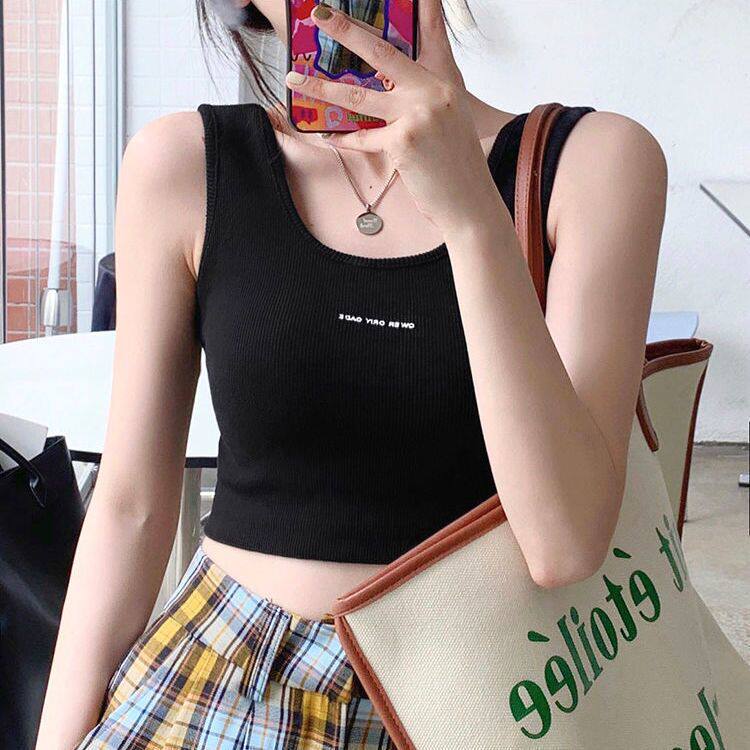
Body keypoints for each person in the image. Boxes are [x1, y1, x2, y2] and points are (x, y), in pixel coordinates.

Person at [36, 0, 667, 747]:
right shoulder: (182, 164)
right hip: (225, 680)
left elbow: (566, 544)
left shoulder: (594, 163)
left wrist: (471, 213)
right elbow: (130, 509)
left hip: (483, 695)